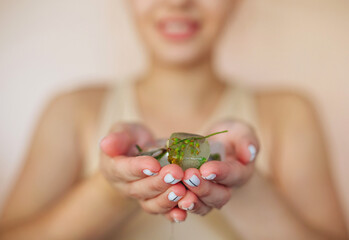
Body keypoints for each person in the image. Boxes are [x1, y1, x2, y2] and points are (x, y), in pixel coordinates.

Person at [0, 0, 347, 239]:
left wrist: (246, 187)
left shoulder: (290, 113)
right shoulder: (70, 111)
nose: (179, 0)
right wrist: (111, 189)